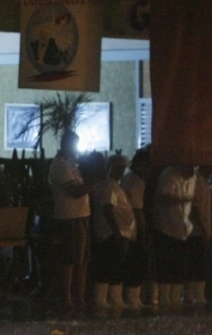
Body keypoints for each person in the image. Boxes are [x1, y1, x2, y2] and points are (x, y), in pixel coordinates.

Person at [47, 131, 96, 316]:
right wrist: (93, 181)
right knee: (69, 259)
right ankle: (67, 298)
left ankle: (80, 297)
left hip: (80, 215)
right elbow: (75, 191)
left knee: (82, 259)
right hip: (69, 217)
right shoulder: (60, 165)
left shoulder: (70, 164)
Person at [90, 154, 136, 313]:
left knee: (116, 266)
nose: (122, 171)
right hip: (110, 233)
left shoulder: (115, 186)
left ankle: (114, 296)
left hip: (117, 232)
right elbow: (108, 208)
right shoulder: (109, 186)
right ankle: (102, 297)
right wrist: (116, 229)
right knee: (109, 265)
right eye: (119, 168)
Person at [153, 165, 196, 308]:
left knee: (179, 266)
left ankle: (175, 298)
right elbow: (165, 197)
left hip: (183, 230)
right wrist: (184, 200)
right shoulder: (169, 175)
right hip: (167, 228)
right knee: (166, 266)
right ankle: (165, 298)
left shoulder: (192, 177)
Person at [120, 148, 151, 309]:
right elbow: (137, 209)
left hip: (126, 226)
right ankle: (133, 297)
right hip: (134, 227)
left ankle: (131, 296)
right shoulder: (137, 182)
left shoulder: (127, 178)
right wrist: (144, 231)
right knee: (136, 261)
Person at [184, 166, 212, 307]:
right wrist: (204, 229)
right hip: (196, 230)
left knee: (198, 261)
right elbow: (195, 208)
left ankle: (194, 294)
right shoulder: (198, 182)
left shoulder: (202, 181)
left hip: (199, 228)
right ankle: (195, 294)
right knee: (197, 262)